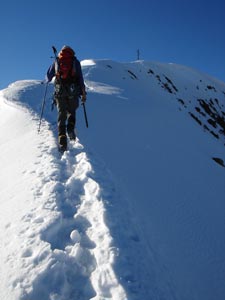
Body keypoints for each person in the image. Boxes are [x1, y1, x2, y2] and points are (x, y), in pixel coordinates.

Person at [46, 45, 86, 152]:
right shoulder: (75, 62)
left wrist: (47, 80)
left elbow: (48, 76)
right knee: (72, 111)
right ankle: (71, 128)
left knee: (61, 113)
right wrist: (83, 92)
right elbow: (80, 78)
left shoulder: (57, 60)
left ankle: (62, 139)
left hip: (60, 91)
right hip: (73, 90)